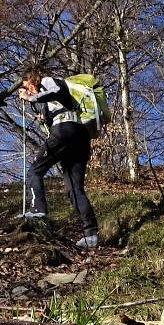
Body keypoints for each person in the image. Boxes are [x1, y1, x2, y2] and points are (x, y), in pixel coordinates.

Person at [18, 68, 100, 249]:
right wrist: (42, 116)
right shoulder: (51, 101)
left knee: (34, 171)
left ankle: (37, 209)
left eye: (27, 86)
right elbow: (56, 108)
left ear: (32, 80)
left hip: (65, 130)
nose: (29, 90)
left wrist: (30, 98)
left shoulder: (48, 81)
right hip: (79, 136)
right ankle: (91, 234)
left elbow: (58, 91)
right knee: (73, 188)